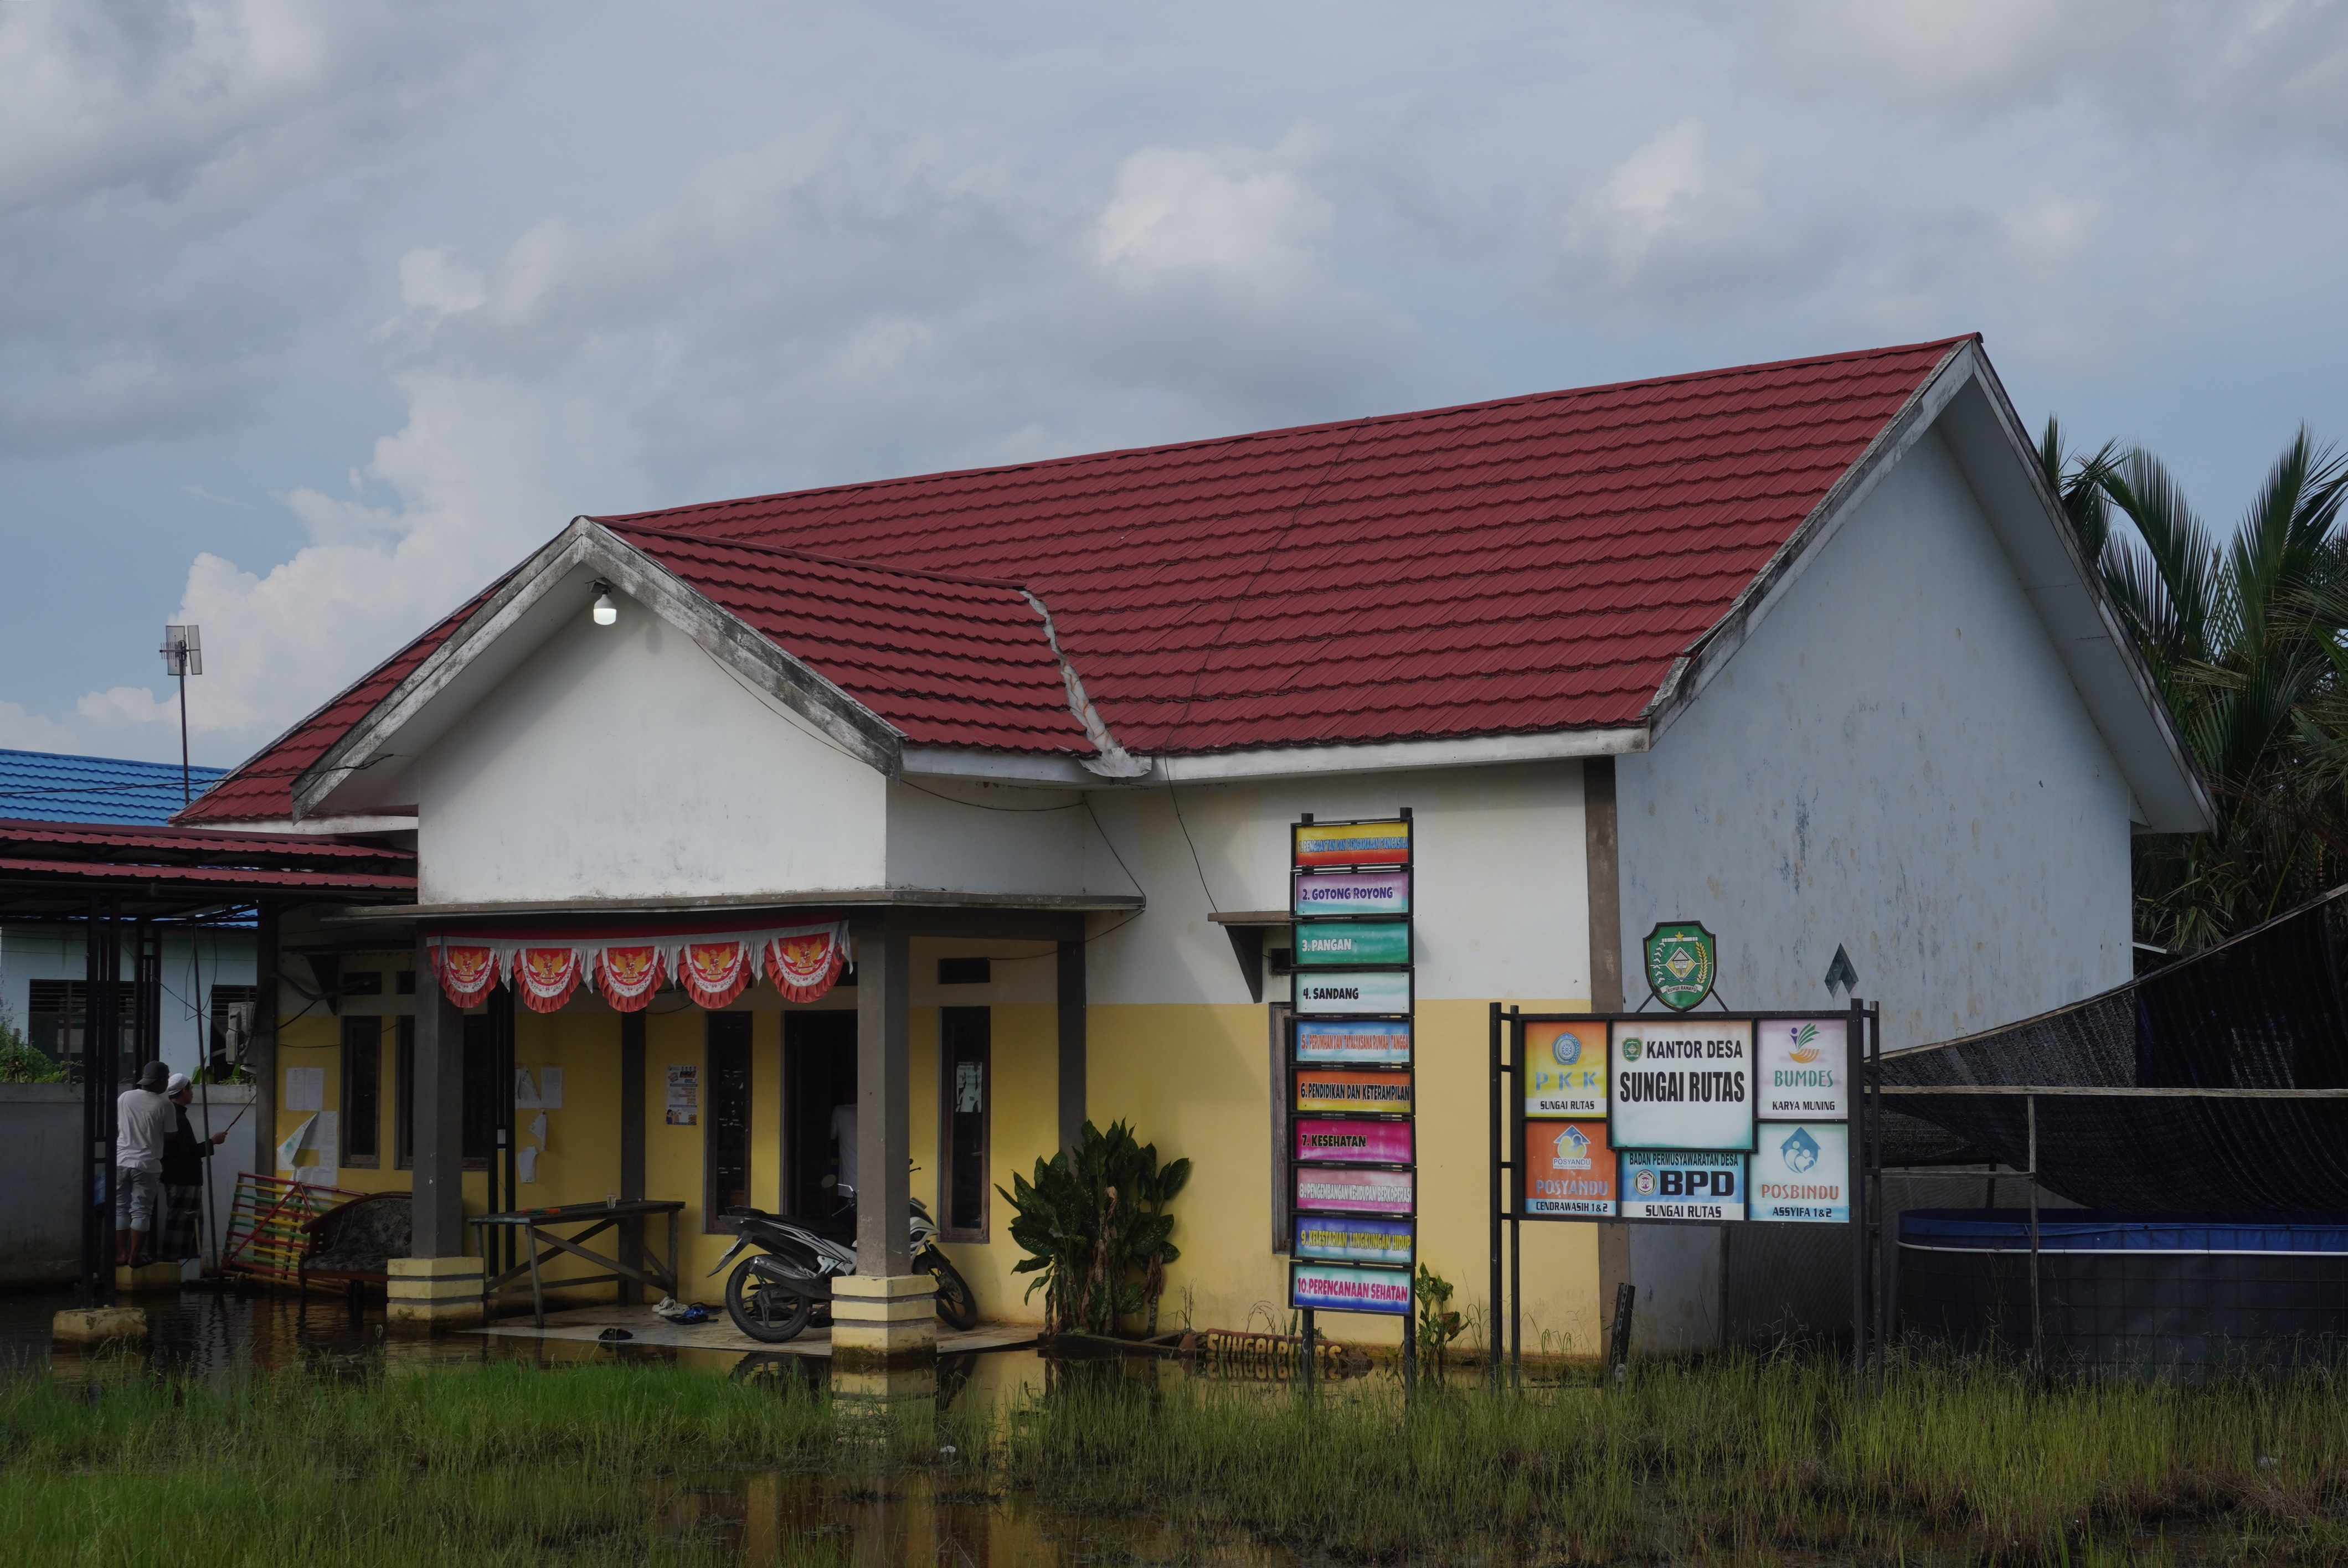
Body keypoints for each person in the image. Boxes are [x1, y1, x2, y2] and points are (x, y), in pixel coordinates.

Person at [159, 1074, 230, 1265]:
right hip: (183, 1180)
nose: (192, 1093)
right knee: (181, 1227)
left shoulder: (174, 1115)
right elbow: (190, 1151)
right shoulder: (178, 1119)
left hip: (182, 1179)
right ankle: (174, 1267)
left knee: (190, 1228)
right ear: (184, 1091)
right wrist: (213, 1142)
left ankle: (185, 1268)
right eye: (191, 1089)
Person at [114, 1061, 176, 1267]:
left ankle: (121, 1254)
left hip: (120, 1161)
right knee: (141, 1211)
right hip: (147, 1165)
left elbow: (117, 1128)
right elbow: (171, 1136)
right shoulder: (164, 1105)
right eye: (167, 1079)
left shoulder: (125, 1097)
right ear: (161, 1080)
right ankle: (134, 1257)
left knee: (121, 1208)